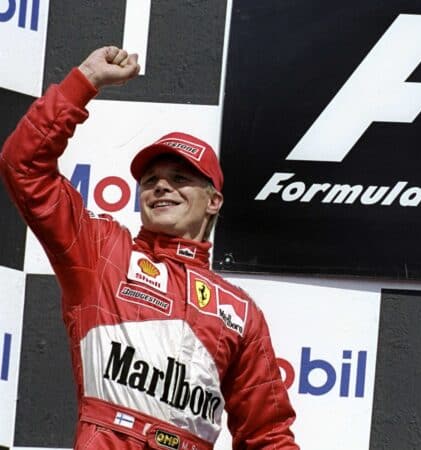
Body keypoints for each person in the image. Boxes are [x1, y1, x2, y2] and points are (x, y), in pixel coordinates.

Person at [0, 47, 299, 449]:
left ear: (214, 201)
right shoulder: (101, 252)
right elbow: (24, 166)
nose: (161, 186)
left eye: (179, 178)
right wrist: (84, 80)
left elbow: (268, 435)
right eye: (150, 179)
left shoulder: (241, 313)